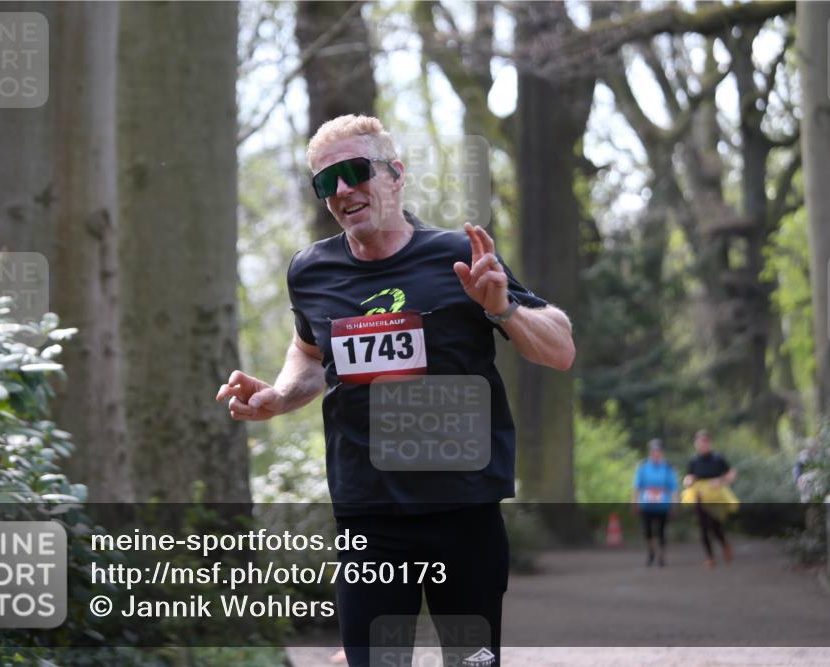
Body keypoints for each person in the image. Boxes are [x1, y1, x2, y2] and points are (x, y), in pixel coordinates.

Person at [216, 115, 575, 667]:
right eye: (324, 181)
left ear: (395, 175)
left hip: (463, 509)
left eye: (355, 171)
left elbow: (560, 349)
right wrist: (280, 396)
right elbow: (309, 352)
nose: (341, 190)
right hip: (369, 515)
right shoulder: (311, 271)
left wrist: (501, 308)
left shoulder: (459, 256)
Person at [682, 430, 737, 568]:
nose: (703, 445)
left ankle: (725, 545)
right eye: (700, 443)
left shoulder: (718, 458)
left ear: (710, 444)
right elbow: (688, 476)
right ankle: (710, 557)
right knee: (703, 527)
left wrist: (721, 480)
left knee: (716, 526)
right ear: (696, 444)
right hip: (700, 496)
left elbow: (732, 473)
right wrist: (688, 481)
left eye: (705, 443)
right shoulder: (693, 460)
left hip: (716, 496)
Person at [632, 439, 679, 567]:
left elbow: (673, 487)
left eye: (658, 451)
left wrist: (674, 504)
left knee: (662, 531)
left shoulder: (668, 467)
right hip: (647, 504)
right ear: (650, 453)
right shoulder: (643, 466)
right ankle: (651, 551)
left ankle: (662, 556)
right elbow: (637, 486)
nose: (656, 454)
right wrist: (634, 502)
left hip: (663, 505)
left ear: (662, 452)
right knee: (648, 531)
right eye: (653, 451)